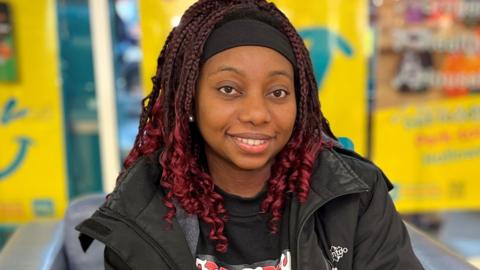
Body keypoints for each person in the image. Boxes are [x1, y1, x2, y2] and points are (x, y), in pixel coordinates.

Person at [77, 0, 424, 269]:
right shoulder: (141, 211)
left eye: (277, 93)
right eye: (229, 89)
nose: (257, 114)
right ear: (191, 100)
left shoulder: (355, 196)